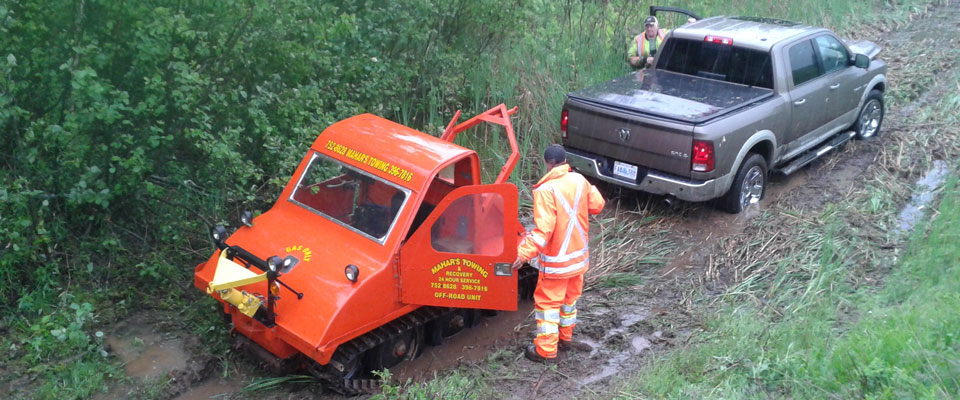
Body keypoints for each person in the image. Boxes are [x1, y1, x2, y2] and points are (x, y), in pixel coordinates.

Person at [513, 144, 605, 362]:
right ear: (564, 161)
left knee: (548, 306)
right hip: (578, 260)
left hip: (557, 263)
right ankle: (565, 338)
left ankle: (546, 350)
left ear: (548, 163)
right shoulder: (580, 180)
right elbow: (598, 205)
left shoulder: (545, 190)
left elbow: (543, 231)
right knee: (569, 302)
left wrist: (522, 254)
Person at [628, 15, 696, 69]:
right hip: (644, 71)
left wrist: (688, 24)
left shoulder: (664, 33)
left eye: (651, 26)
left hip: (663, 69)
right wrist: (644, 60)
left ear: (657, 26)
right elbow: (630, 58)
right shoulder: (638, 39)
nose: (649, 29)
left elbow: (678, 31)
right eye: (647, 26)